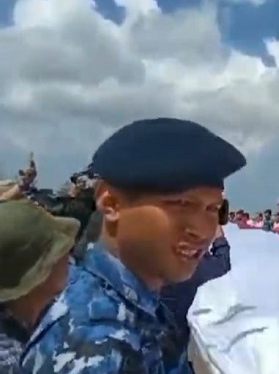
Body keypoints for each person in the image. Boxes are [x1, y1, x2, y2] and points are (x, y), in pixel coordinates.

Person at [21, 117, 246, 373]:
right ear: (112, 204)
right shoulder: (98, 347)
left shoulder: (134, 303)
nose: (202, 230)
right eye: (182, 205)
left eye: (213, 209)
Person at [0, 201, 78, 370]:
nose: (68, 253)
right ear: (40, 273)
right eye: (59, 249)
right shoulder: (8, 355)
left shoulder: (43, 313)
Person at [160, 211, 232, 348]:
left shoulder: (155, 263)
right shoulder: (209, 269)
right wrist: (214, 219)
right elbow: (223, 260)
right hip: (188, 349)